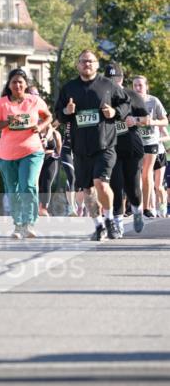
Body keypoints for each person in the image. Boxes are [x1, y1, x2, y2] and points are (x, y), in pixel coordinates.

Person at [54, 50, 130, 242]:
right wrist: (66, 110)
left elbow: (125, 104)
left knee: (101, 183)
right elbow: (59, 115)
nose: (87, 64)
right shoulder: (69, 88)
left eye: (90, 61)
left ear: (96, 64)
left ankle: (110, 219)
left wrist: (114, 111)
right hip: (80, 148)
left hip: (105, 145)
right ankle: (98, 225)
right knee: (87, 190)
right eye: (83, 61)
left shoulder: (108, 85)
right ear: (78, 65)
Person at [0, 68, 52, 238]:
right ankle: (18, 225)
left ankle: (29, 223)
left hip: (32, 151)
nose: (17, 85)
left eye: (20, 82)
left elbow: (48, 116)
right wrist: (8, 122)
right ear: (9, 85)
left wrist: (39, 127)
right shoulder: (3, 103)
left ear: (26, 84)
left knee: (28, 185)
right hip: (8, 154)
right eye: (14, 82)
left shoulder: (34, 100)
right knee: (13, 189)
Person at [103, 62, 147, 236]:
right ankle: (118, 223)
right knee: (115, 184)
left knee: (133, 186)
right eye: (109, 80)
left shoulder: (132, 95)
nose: (113, 83)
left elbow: (145, 118)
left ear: (121, 79)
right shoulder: (100, 97)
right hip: (110, 147)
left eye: (115, 79)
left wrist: (134, 121)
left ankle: (137, 211)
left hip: (131, 147)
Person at [130, 75, 168, 218]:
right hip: (134, 142)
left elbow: (164, 121)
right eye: (135, 85)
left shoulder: (154, 101)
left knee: (147, 174)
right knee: (136, 176)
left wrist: (151, 122)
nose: (138, 88)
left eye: (140, 85)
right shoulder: (129, 101)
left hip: (151, 141)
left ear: (146, 86)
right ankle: (137, 207)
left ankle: (147, 208)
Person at [37, 124, 62, 217]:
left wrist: (59, 159)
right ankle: (38, 206)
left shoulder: (55, 133)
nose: (40, 122)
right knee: (38, 184)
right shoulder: (36, 132)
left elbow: (59, 148)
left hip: (51, 159)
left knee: (46, 183)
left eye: (42, 120)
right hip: (38, 159)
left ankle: (44, 208)